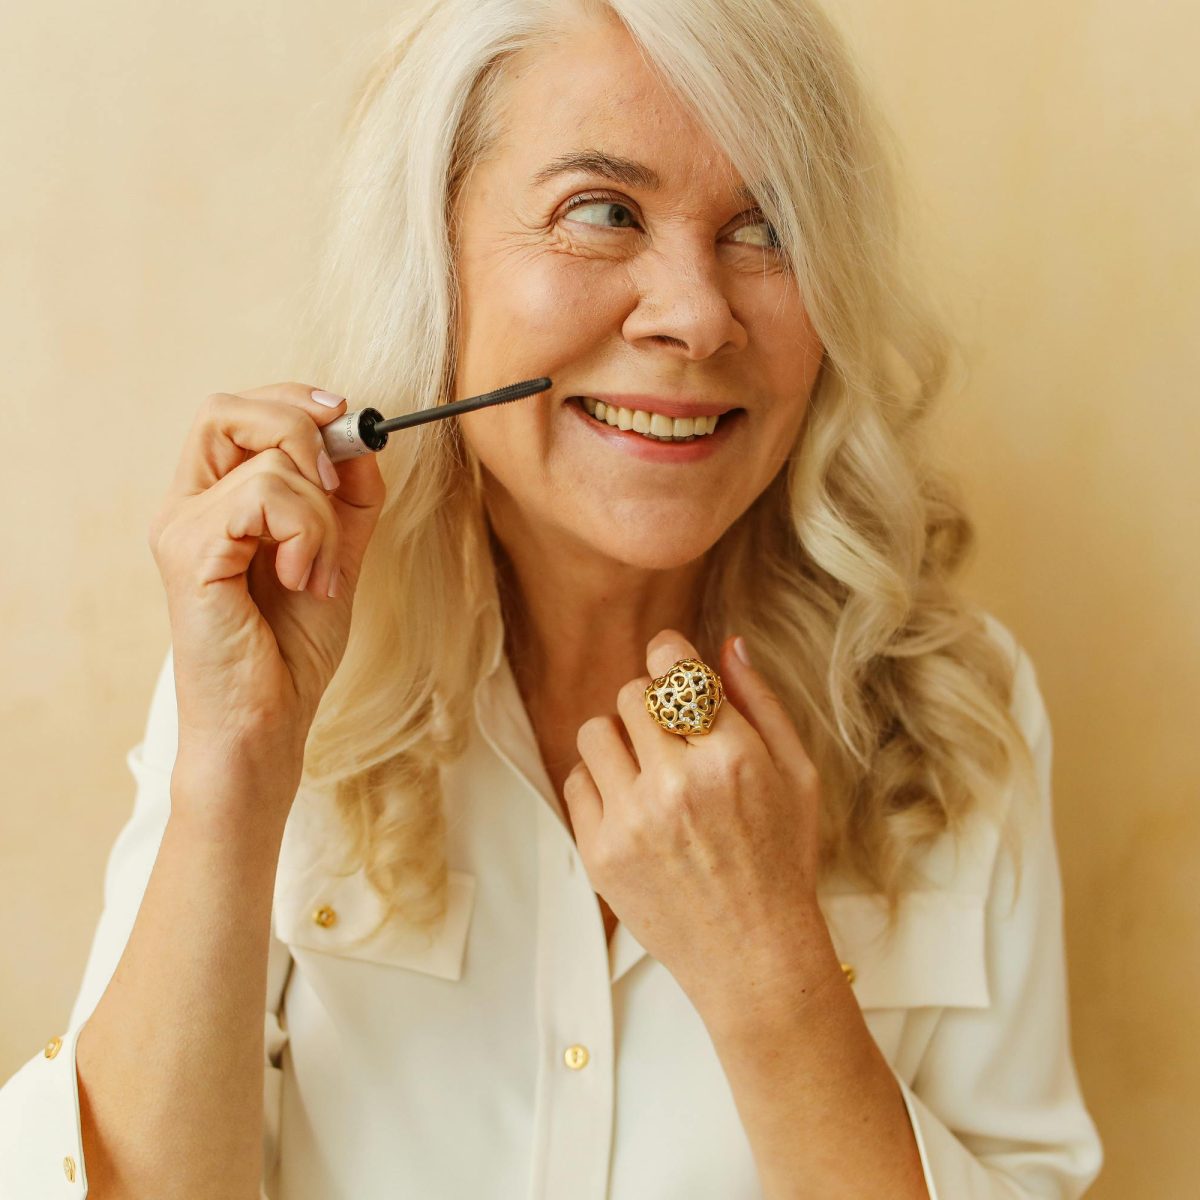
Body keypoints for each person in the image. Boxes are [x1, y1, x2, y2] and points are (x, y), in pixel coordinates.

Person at [0, 0, 1105, 1196]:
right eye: (602, 212)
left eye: (767, 227)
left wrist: (773, 977)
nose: (694, 314)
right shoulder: (276, 657)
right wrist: (235, 771)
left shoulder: (951, 710)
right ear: (435, 252)